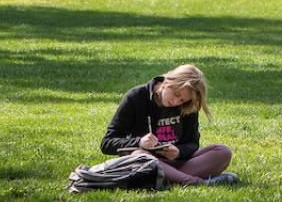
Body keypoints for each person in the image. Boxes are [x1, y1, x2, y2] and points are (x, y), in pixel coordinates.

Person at [100, 64, 237, 186]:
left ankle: (170, 178)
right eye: (176, 94)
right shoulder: (136, 97)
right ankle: (193, 182)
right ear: (168, 80)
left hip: (178, 164)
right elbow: (107, 143)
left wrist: (178, 152)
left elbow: (192, 143)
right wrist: (139, 142)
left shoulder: (187, 106)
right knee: (140, 156)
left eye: (182, 99)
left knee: (223, 152)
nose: (176, 101)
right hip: (145, 162)